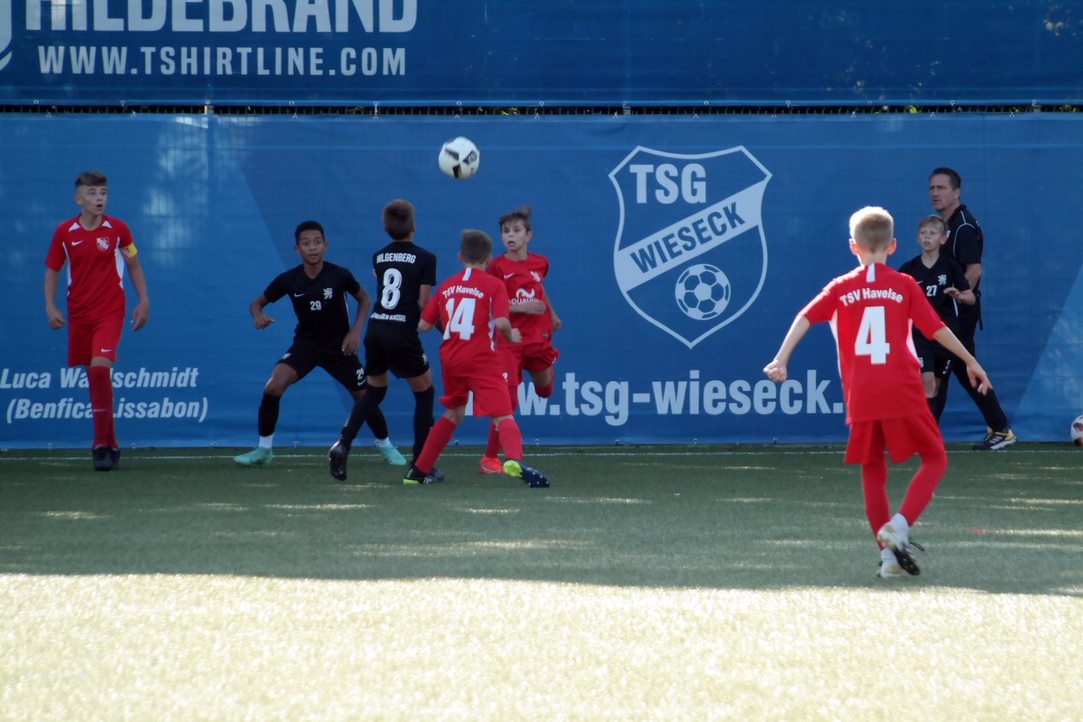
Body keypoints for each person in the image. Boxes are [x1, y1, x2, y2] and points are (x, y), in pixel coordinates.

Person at [763, 206, 992, 578]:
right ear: (893, 245)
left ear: (853, 246)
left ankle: (888, 559)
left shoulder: (840, 287)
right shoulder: (904, 284)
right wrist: (970, 360)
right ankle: (899, 527)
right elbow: (935, 329)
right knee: (935, 458)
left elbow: (805, 316)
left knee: (873, 471)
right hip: (902, 386)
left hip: (862, 391)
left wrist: (780, 359)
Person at [233, 220, 405, 468]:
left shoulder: (340, 275)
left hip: (339, 347)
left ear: (326, 245)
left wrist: (355, 331)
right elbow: (255, 303)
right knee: (273, 387)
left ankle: (387, 446)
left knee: (364, 397)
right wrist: (258, 315)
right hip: (306, 345)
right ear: (297, 249)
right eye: (306, 243)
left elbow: (365, 299)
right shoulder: (289, 280)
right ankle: (264, 450)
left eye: (317, 242)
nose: (312, 247)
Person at [404, 229, 549, 488]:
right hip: (481, 359)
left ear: (460, 256)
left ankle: (418, 471)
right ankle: (514, 459)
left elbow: (424, 326)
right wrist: (511, 336)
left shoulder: (447, 285)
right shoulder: (494, 285)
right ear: (489, 259)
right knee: (503, 415)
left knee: (453, 413)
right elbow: (502, 322)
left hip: (451, 358)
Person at [44, 170, 150, 471]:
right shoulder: (65, 232)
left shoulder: (119, 229)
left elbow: (134, 265)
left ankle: (99, 444)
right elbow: (52, 270)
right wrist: (50, 306)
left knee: (101, 369)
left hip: (110, 311)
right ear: (79, 199)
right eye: (92, 193)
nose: (99, 197)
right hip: (79, 314)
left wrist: (143, 300)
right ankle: (111, 443)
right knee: (94, 377)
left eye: (103, 192)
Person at [328, 199, 438, 482]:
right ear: (413, 227)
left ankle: (343, 443)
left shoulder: (379, 257)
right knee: (425, 393)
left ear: (386, 228)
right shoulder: (426, 258)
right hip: (402, 332)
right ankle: (421, 465)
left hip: (376, 330)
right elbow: (424, 304)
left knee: (375, 391)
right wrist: (443, 328)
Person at [928, 167, 1016, 450]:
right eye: (932, 188)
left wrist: (960, 298)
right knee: (965, 370)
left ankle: (925, 436)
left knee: (940, 369)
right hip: (948, 313)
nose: (935, 193)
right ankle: (1000, 428)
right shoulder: (946, 224)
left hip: (957, 315)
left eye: (941, 188)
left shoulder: (963, 226)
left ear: (956, 192)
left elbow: (974, 269)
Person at [478, 205, 562, 475]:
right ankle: (490, 458)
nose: (510, 236)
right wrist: (521, 307)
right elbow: (489, 304)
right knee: (507, 401)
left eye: (516, 231)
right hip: (509, 340)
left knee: (544, 391)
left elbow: (539, 289)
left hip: (537, 337)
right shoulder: (496, 267)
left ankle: (546, 368)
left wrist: (552, 314)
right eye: (506, 231)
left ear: (528, 235)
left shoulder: (541, 262)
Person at [897, 215, 976, 414]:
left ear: (943, 239)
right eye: (923, 233)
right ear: (917, 238)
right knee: (926, 380)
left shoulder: (950, 266)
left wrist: (959, 296)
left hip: (945, 333)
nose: (927, 237)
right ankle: (924, 430)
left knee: (937, 384)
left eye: (932, 233)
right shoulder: (909, 269)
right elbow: (895, 298)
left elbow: (970, 297)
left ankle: (928, 426)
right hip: (919, 334)